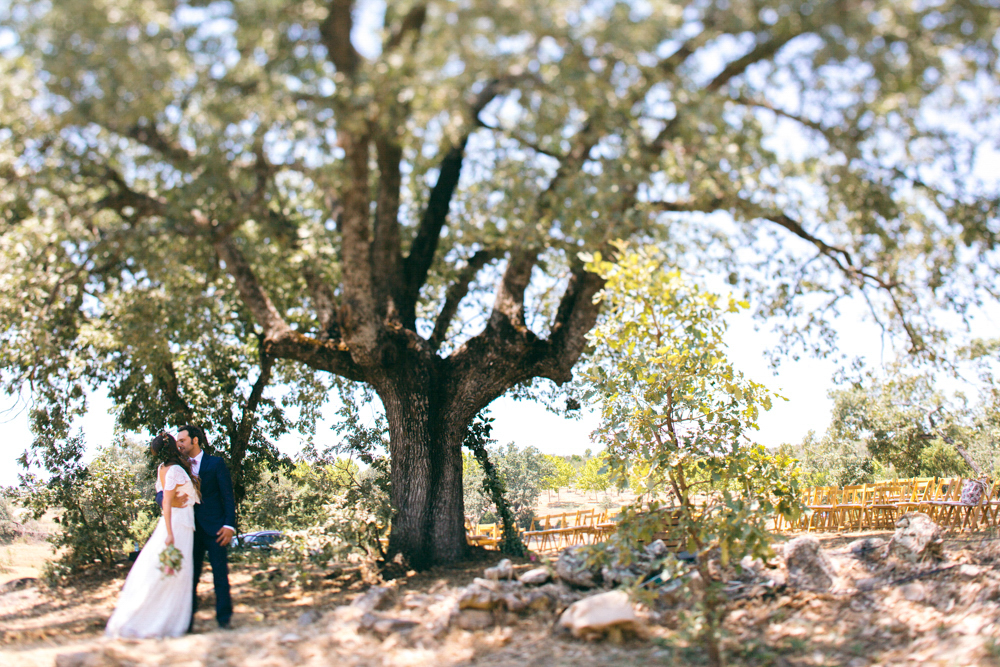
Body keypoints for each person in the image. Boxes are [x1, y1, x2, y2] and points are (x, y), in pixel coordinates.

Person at [105, 433, 200, 639]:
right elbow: (165, 500)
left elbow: (165, 496)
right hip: (177, 525)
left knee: (172, 572)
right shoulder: (174, 469)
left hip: (180, 521)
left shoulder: (162, 468)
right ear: (173, 448)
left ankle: (165, 619)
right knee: (172, 572)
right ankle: (155, 621)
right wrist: (169, 533)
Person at [165, 425, 237, 631]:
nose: (178, 444)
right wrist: (169, 501)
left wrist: (229, 525)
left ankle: (224, 620)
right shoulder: (177, 466)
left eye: (182, 440)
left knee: (220, 575)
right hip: (189, 530)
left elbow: (227, 497)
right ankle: (186, 623)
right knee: (189, 577)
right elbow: (162, 491)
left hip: (215, 528)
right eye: (178, 441)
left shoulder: (216, 463)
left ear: (195, 441)